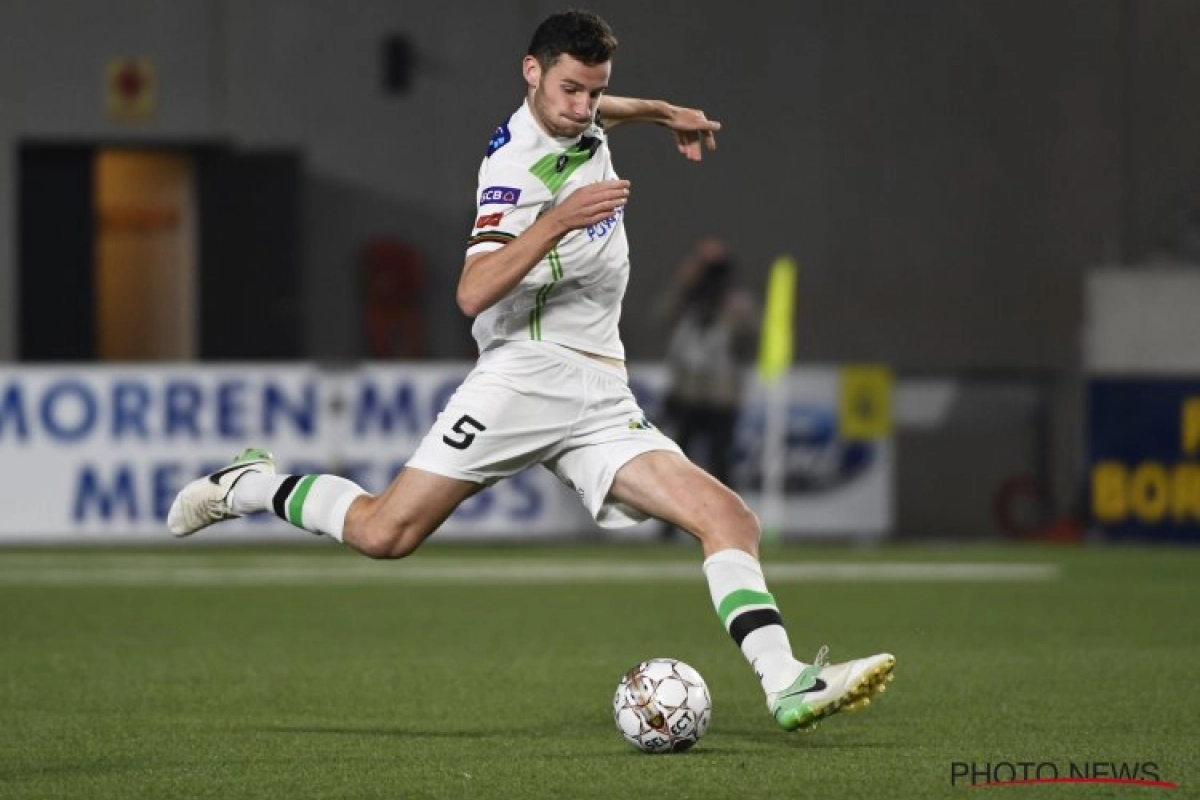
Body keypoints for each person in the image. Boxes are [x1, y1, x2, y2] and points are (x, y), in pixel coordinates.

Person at [167, 9, 894, 733]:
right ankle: (251, 484)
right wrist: (556, 221)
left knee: (730, 517)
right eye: (571, 90)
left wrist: (662, 111)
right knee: (385, 534)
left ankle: (786, 683)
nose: (583, 108)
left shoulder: (578, 114)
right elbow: (471, 292)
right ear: (531, 72)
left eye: (594, 91)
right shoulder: (516, 170)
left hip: (601, 391)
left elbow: (605, 108)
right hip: (527, 376)